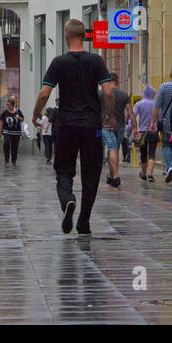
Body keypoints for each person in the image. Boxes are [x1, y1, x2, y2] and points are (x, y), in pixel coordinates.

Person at [33, 19, 115, 235]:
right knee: (92, 173)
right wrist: (111, 117)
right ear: (85, 36)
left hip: (67, 125)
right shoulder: (96, 61)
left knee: (63, 169)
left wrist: (35, 114)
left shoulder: (59, 62)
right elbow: (107, 92)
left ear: (67, 36)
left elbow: (44, 93)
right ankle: (84, 221)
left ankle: (68, 200)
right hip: (91, 126)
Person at [104, 74, 128, 187]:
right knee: (115, 149)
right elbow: (131, 112)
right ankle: (111, 174)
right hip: (121, 126)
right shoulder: (124, 95)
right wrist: (134, 127)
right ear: (117, 82)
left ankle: (115, 175)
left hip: (107, 126)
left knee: (111, 149)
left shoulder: (102, 93)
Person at [133, 84, 160, 182]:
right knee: (152, 153)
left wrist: (129, 131)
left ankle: (143, 174)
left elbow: (133, 116)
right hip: (153, 131)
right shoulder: (156, 104)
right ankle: (150, 174)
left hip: (141, 132)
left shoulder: (138, 104)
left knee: (143, 154)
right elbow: (159, 117)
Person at [0, 97, 25, 166]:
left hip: (16, 132)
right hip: (7, 131)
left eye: (8, 105)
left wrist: (18, 117)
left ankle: (14, 161)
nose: (7, 106)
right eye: (7, 105)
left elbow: (22, 119)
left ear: (12, 105)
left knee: (15, 146)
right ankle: (6, 160)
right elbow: (1, 121)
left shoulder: (18, 111)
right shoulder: (5, 112)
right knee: (6, 144)